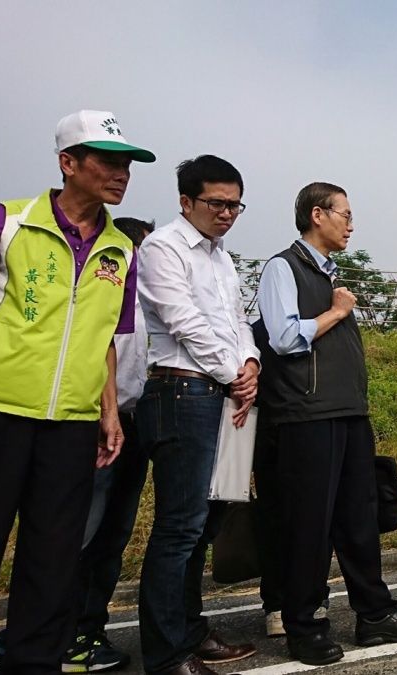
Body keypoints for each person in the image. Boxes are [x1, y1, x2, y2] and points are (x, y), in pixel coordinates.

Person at [0, 110, 151, 673]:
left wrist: (109, 411)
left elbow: (107, 339)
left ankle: (31, 665)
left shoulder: (120, 248)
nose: (121, 173)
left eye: (127, 163)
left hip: (70, 423)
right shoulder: (4, 222)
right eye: (107, 161)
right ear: (68, 163)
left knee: (53, 559)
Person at [254, 182, 397, 665]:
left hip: (348, 413)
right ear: (318, 215)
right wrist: (336, 312)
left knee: (359, 519)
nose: (351, 225)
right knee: (308, 524)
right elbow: (285, 337)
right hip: (306, 416)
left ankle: (375, 615)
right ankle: (304, 624)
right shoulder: (282, 268)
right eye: (345, 215)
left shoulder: (331, 273)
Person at [136, 155, 259, 675]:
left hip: (221, 392)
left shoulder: (222, 257)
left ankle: (190, 631)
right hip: (180, 392)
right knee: (179, 525)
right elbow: (183, 322)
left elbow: (235, 319)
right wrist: (235, 371)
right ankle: (167, 655)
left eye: (235, 204)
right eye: (217, 203)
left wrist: (250, 360)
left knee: (206, 521)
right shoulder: (163, 248)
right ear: (186, 201)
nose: (227, 213)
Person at [63, 217, 156, 673]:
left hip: (131, 423)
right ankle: (54, 634)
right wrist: (106, 414)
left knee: (114, 535)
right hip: (94, 423)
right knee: (81, 532)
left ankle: (88, 630)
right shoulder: (100, 296)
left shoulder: (142, 304)